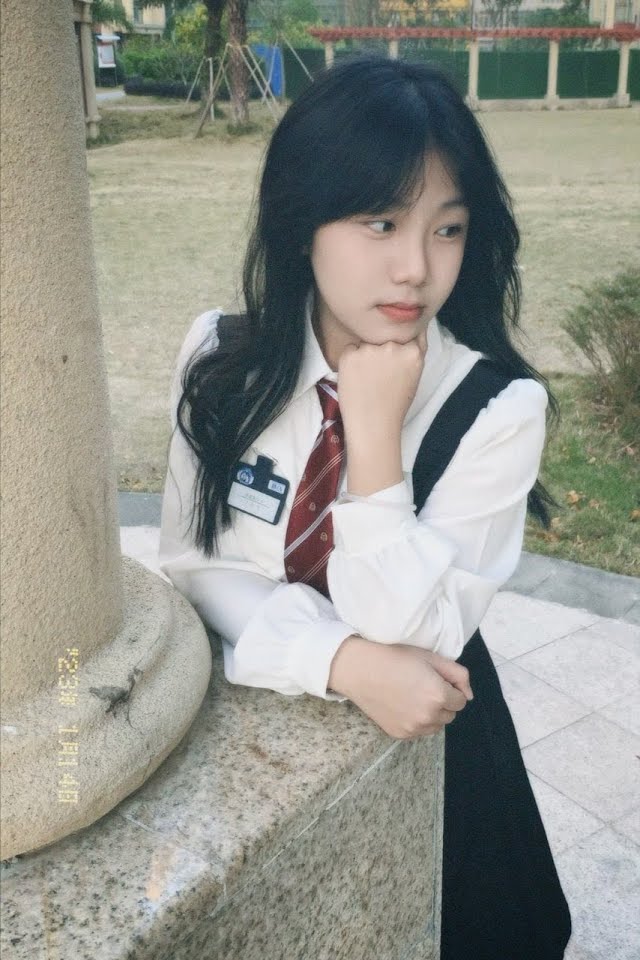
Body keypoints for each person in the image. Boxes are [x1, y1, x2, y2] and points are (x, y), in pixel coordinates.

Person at [159, 55, 572, 959]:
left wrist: (375, 439)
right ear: (300, 219)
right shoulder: (221, 360)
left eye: (447, 229)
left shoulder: (497, 409)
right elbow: (197, 566)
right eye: (381, 222)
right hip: (265, 734)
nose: (416, 269)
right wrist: (344, 661)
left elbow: (414, 636)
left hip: (433, 744)